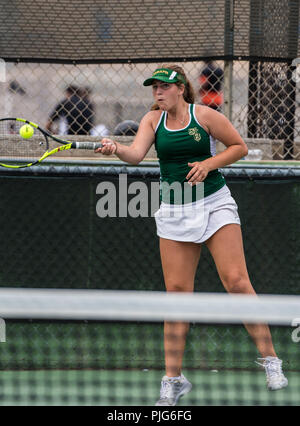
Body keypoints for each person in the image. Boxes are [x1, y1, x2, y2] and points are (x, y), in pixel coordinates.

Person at [94, 64, 288, 406]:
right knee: (178, 296)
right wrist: (116, 149)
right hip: (174, 210)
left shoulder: (206, 116)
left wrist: (209, 164)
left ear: (181, 88)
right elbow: (136, 156)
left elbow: (238, 147)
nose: (157, 92)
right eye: (154, 87)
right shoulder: (152, 120)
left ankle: (271, 361)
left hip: (215, 204)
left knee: (237, 281)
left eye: (164, 87)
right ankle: (173, 380)